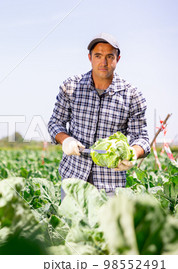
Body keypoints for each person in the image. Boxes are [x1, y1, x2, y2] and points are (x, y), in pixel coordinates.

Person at [47, 33, 150, 197]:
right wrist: (65, 139)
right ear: (90, 58)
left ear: (118, 59)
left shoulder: (132, 95)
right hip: (73, 181)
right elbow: (55, 122)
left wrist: (133, 153)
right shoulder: (71, 87)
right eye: (98, 56)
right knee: (70, 223)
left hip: (110, 187)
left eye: (110, 56)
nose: (104, 62)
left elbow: (142, 138)